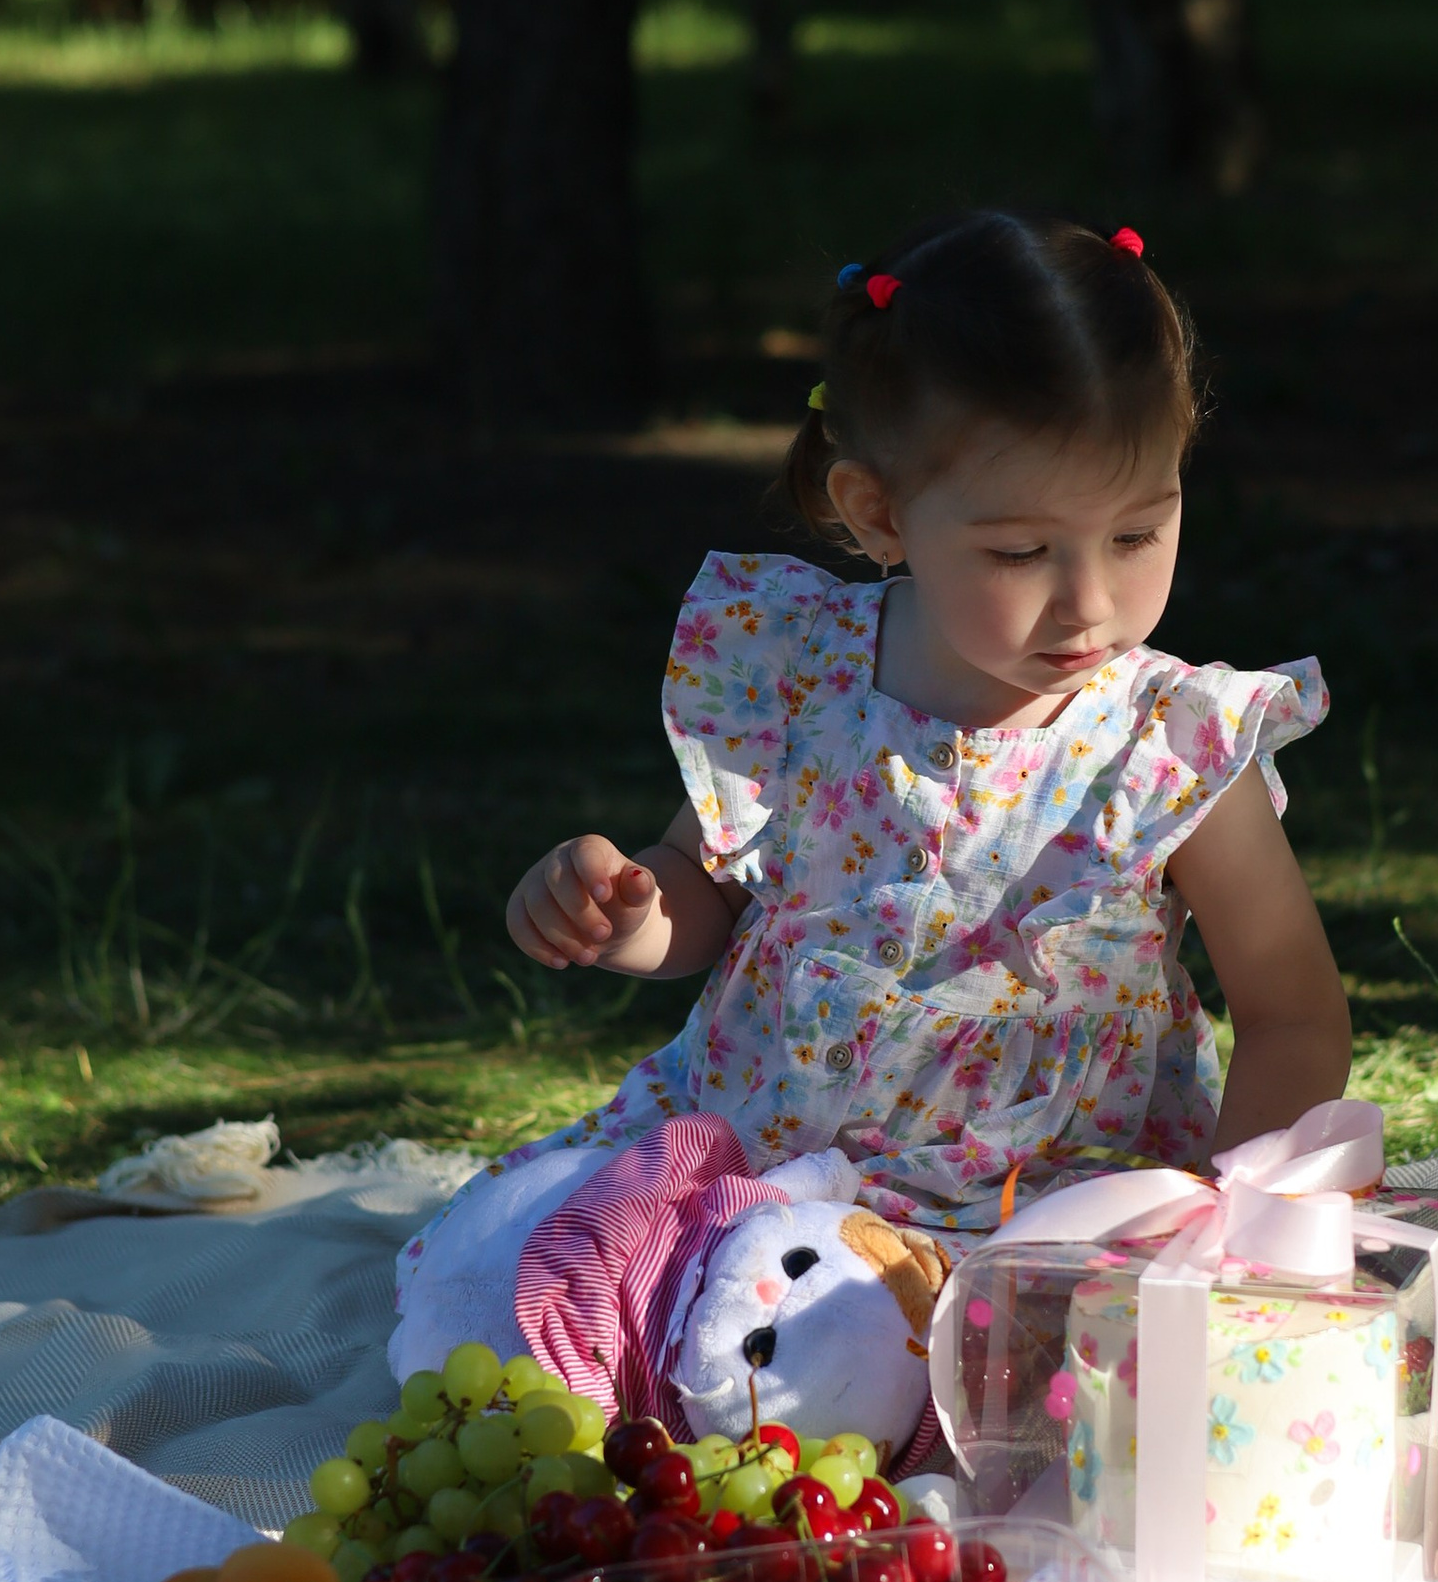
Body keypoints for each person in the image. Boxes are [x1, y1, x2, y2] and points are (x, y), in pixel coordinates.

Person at [496, 208, 1351, 1235]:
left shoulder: (1168, 742)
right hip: (764, 1176)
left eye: (1135, 532)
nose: (1088, 601)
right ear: (879, 513)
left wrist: (1221, 1225)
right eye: (1020, 552)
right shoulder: (805, 671)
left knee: (942, 1373)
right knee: (543, 1264)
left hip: (1038, 1214)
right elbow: (704, 893)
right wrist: (623, 914)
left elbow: (1290, 1014)